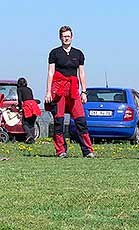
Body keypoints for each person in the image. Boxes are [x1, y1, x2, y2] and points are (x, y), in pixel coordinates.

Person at [44, 25, 94, 158]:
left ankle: (88, 151)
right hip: (59, 89)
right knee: (59, 121)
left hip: (73, 89)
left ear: (72, 37)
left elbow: (81, 73)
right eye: (64, 36)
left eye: (68, 36)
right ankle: (61, 150)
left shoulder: (78, 54)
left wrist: (84, 92)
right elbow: (50, 72)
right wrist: (48, 92)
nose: (66, 38)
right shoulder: (54, 53)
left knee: (81, 121)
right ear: (60, 37)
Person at [17, 77, 42, 144]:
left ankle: (29, 136)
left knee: (24, 123)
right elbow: (31, 98)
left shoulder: (19, 89)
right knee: (31, 123)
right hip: (33, 105)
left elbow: (20, 99)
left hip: (27, 105)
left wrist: (20, 107)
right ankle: (32, 139)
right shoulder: (29, 89)